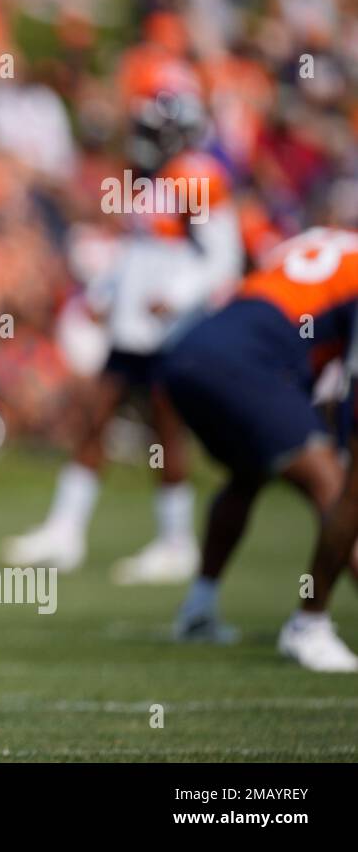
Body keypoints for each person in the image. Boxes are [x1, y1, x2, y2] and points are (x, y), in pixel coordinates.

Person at [3, 54, 243, 582]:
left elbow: (224, 257)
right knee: (96, 417)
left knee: (165, 432)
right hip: (131, 325)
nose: (139, 138)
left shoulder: (198, 176)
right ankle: (65, 530)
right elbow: (136, 249)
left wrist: (177, 297)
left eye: (148, 129)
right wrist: (107, 291)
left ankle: (176, 540)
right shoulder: (150, 177)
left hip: (170, 328)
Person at [164, 226, 358, 672]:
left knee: (248, 474)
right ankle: (310, 624)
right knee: (335, 489)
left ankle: (199, 607)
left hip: (195, 348)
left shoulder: (324, 239)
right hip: (248, 360)